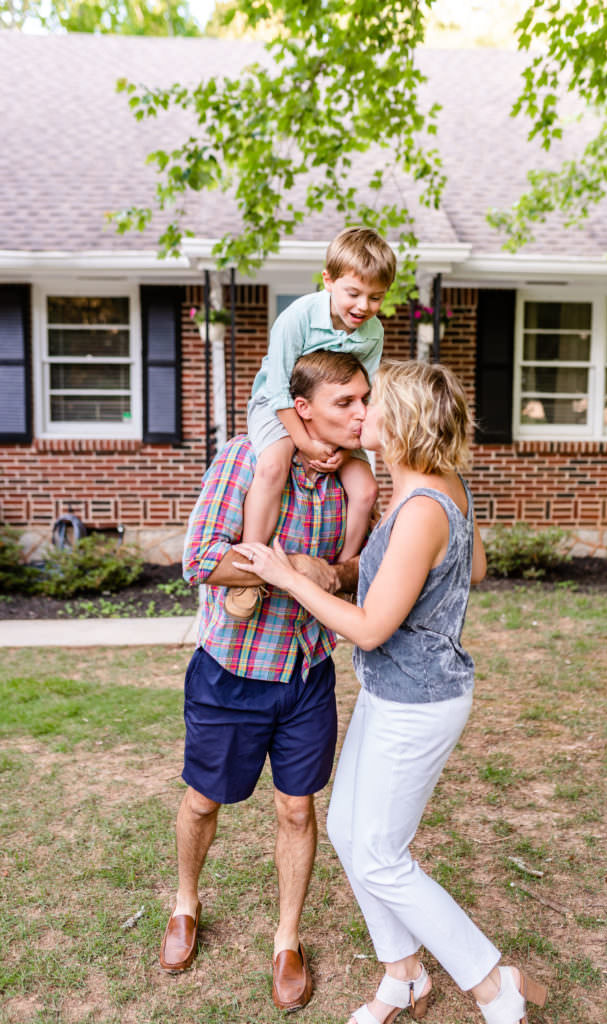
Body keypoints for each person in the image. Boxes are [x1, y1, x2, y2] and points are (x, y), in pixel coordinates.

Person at [234, 361, 549, 1024]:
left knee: (379, 854)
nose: (361, 411)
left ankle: (493, 981)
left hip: (418, 701)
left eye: (373, 402)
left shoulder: (420, 510)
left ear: (399, 422)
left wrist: (291, 579)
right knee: (351, 833)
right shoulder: (437, 486)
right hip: (398, 692)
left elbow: (373, 629)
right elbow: (478, 564)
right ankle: (402, 978)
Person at [159, 350, 369, 1013]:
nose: (362, 413)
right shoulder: (246, 458)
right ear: (302, 408)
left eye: (366, 399)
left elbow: (365, 568)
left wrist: (330, 574)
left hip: (306, 671)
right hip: (231, 674)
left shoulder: (354, 480)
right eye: (347, 403)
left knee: (298, 808)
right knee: (201, 801)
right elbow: (199, 559)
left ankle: (286, 939)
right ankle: (186, 902)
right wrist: (293, 566)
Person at [224, 226, 396, 620]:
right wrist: (303, 442)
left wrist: (339, 446)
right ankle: (251, 568)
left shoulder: (373, 333)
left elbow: (361, 394)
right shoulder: (297, 317)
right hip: (279, 405)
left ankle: (343, 572)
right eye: (353, 293)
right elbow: (281, 391)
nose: (363, 306)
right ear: (329, 280)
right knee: (271, 465)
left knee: (367, 489)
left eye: (376, 297)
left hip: (336, 416)